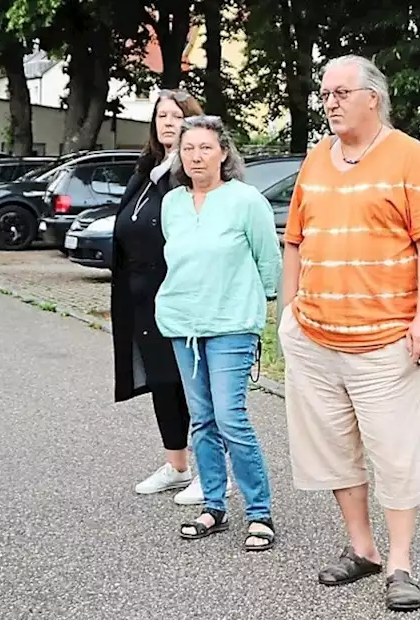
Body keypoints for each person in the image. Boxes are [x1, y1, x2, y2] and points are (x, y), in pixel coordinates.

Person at [278, 55, 420, 611]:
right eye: (325, 93)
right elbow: (295, 240)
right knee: (333, 452)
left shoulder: (409, 156)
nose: (330, 101)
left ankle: (401, 565)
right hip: (315, 337)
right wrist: (288, 313)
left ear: (372, 97)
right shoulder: (315, 160)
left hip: (385, 340)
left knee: (395, 454)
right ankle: (364, 549)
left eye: (340, 92)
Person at [156, 115, 282, 551]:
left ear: (224, 153)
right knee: (203, 419)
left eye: (205, 148)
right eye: (188, 148)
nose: (196, 156)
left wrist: (260, 303)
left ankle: (260, 511)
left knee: (231, 418)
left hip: (231, 325)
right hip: (182, 325)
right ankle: (213, 504)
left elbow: (269, 261)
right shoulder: (172, 203)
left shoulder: (246, 200)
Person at [113, 90, 215, 506]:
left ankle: (212, 473)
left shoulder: (191, 174)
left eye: (176, 116)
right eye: (161, 116)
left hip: (182, 296)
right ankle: (177, 465)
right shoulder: (146, 172)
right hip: (141, 297)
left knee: (192, 385)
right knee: (161, 382)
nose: (167, 123)